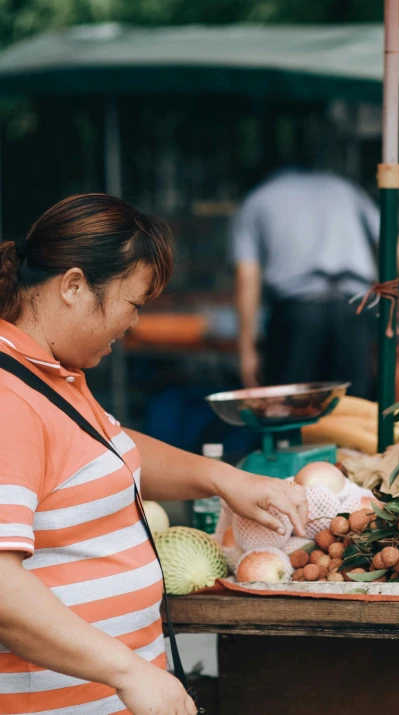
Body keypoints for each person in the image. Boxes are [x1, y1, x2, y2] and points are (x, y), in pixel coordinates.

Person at [0, 194, 308, 715]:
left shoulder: (51, 373)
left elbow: (103, 452)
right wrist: (128, 672)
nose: (133, 324)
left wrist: (220, 477)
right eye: (135, 303)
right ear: (74, 286)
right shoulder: (9, 397)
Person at [233, 168, 399, 398]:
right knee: (352, 412)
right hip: (352, 310)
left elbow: (247, 277)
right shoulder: (343, 189)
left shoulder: (256, 200)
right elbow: (393, 245)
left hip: (297, 315)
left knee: (289, 410)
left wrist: (246, 350)